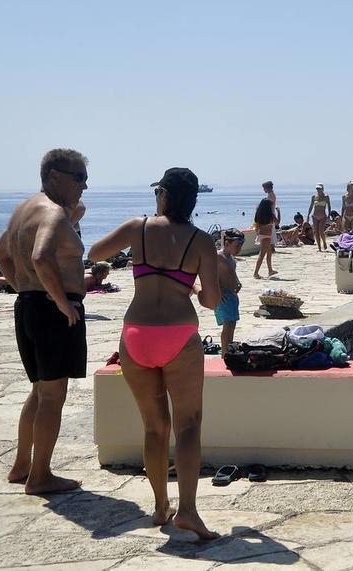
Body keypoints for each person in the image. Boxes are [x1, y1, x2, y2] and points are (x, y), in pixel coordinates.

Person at [88, 167, 220, 539]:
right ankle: (189, 511)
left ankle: (161, 504)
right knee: (189, 426)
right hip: (179, 335)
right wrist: (192, 289)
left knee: (154, 426)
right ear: (192, 201)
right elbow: (211, 300)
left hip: (136, 335)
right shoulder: (201, 241)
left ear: (162, 194)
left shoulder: (138, 227)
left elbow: (96, 252)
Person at [0, 149, 89, 494]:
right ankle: (41, 475)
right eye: (79, 178)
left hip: (29, 306)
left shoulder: (24, 210)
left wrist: (24, 288)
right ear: (54, 176)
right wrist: (61, 302)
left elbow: (0, 253)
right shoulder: (53, 213)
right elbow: (41, 255)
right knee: (52, 396)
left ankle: (21, 465)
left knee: (39, 390)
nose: (84, 185)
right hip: (52, 312)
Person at [214, 229, 243, 357]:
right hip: (223, 296)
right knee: (227, 325)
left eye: (241, 245)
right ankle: (225, 352)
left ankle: (229, 350)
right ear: (227, 243)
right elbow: (210, 276)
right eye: (237, 245)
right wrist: (218, 291)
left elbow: (232, 273)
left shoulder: (230, 258)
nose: (239, 248)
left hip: (231, 295)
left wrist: (237, 282)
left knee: (232, 324)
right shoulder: (218, 257)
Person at [253, 199, 277, 279]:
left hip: (262, 235)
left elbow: (257, 226)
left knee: (269, 253)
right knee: (262, 255)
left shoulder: (260, 215)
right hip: (267, 236)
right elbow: (277, 222)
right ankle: (255, 273)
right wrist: (279, 212)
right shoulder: (270, 215)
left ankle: (270, 270)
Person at [307, 184, 331, 252]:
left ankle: (324, 242)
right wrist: (308, 215)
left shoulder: (326, 196)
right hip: (315, 215)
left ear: (323, 189)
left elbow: (329, 206)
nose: (318, 190)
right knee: (316, 232)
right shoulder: (314, 196)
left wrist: (329, 215)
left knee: (321, 231)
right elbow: (311, 206)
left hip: (323, 215)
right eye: (317, 189)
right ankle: (319, 248)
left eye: (319, 189)